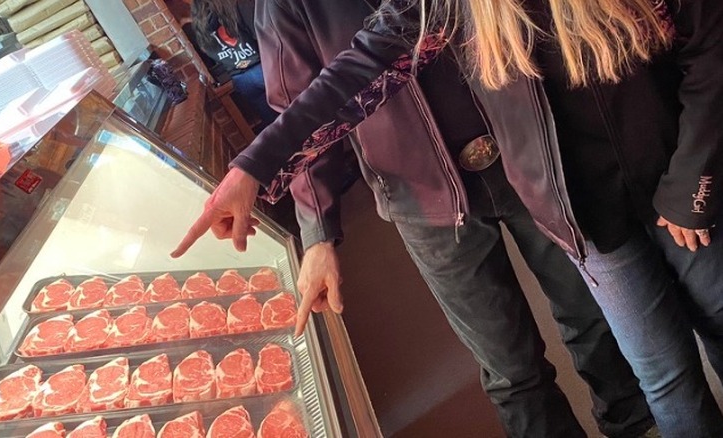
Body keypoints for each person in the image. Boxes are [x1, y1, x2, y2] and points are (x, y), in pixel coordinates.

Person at [171, 0, 723, 435]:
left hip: (614, 177)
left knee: (659, 323)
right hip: (510, 207)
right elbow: (354, 72)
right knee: (612, 372)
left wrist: (692, 184)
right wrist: (259, 173)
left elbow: (704, 44)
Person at [186, 0, 278, 129]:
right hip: (265, 68)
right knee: (296, 111)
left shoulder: (199, 28)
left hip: (242, 80)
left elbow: (210, 54)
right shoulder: (239, 7)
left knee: (276, 123)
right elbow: (265, 34)